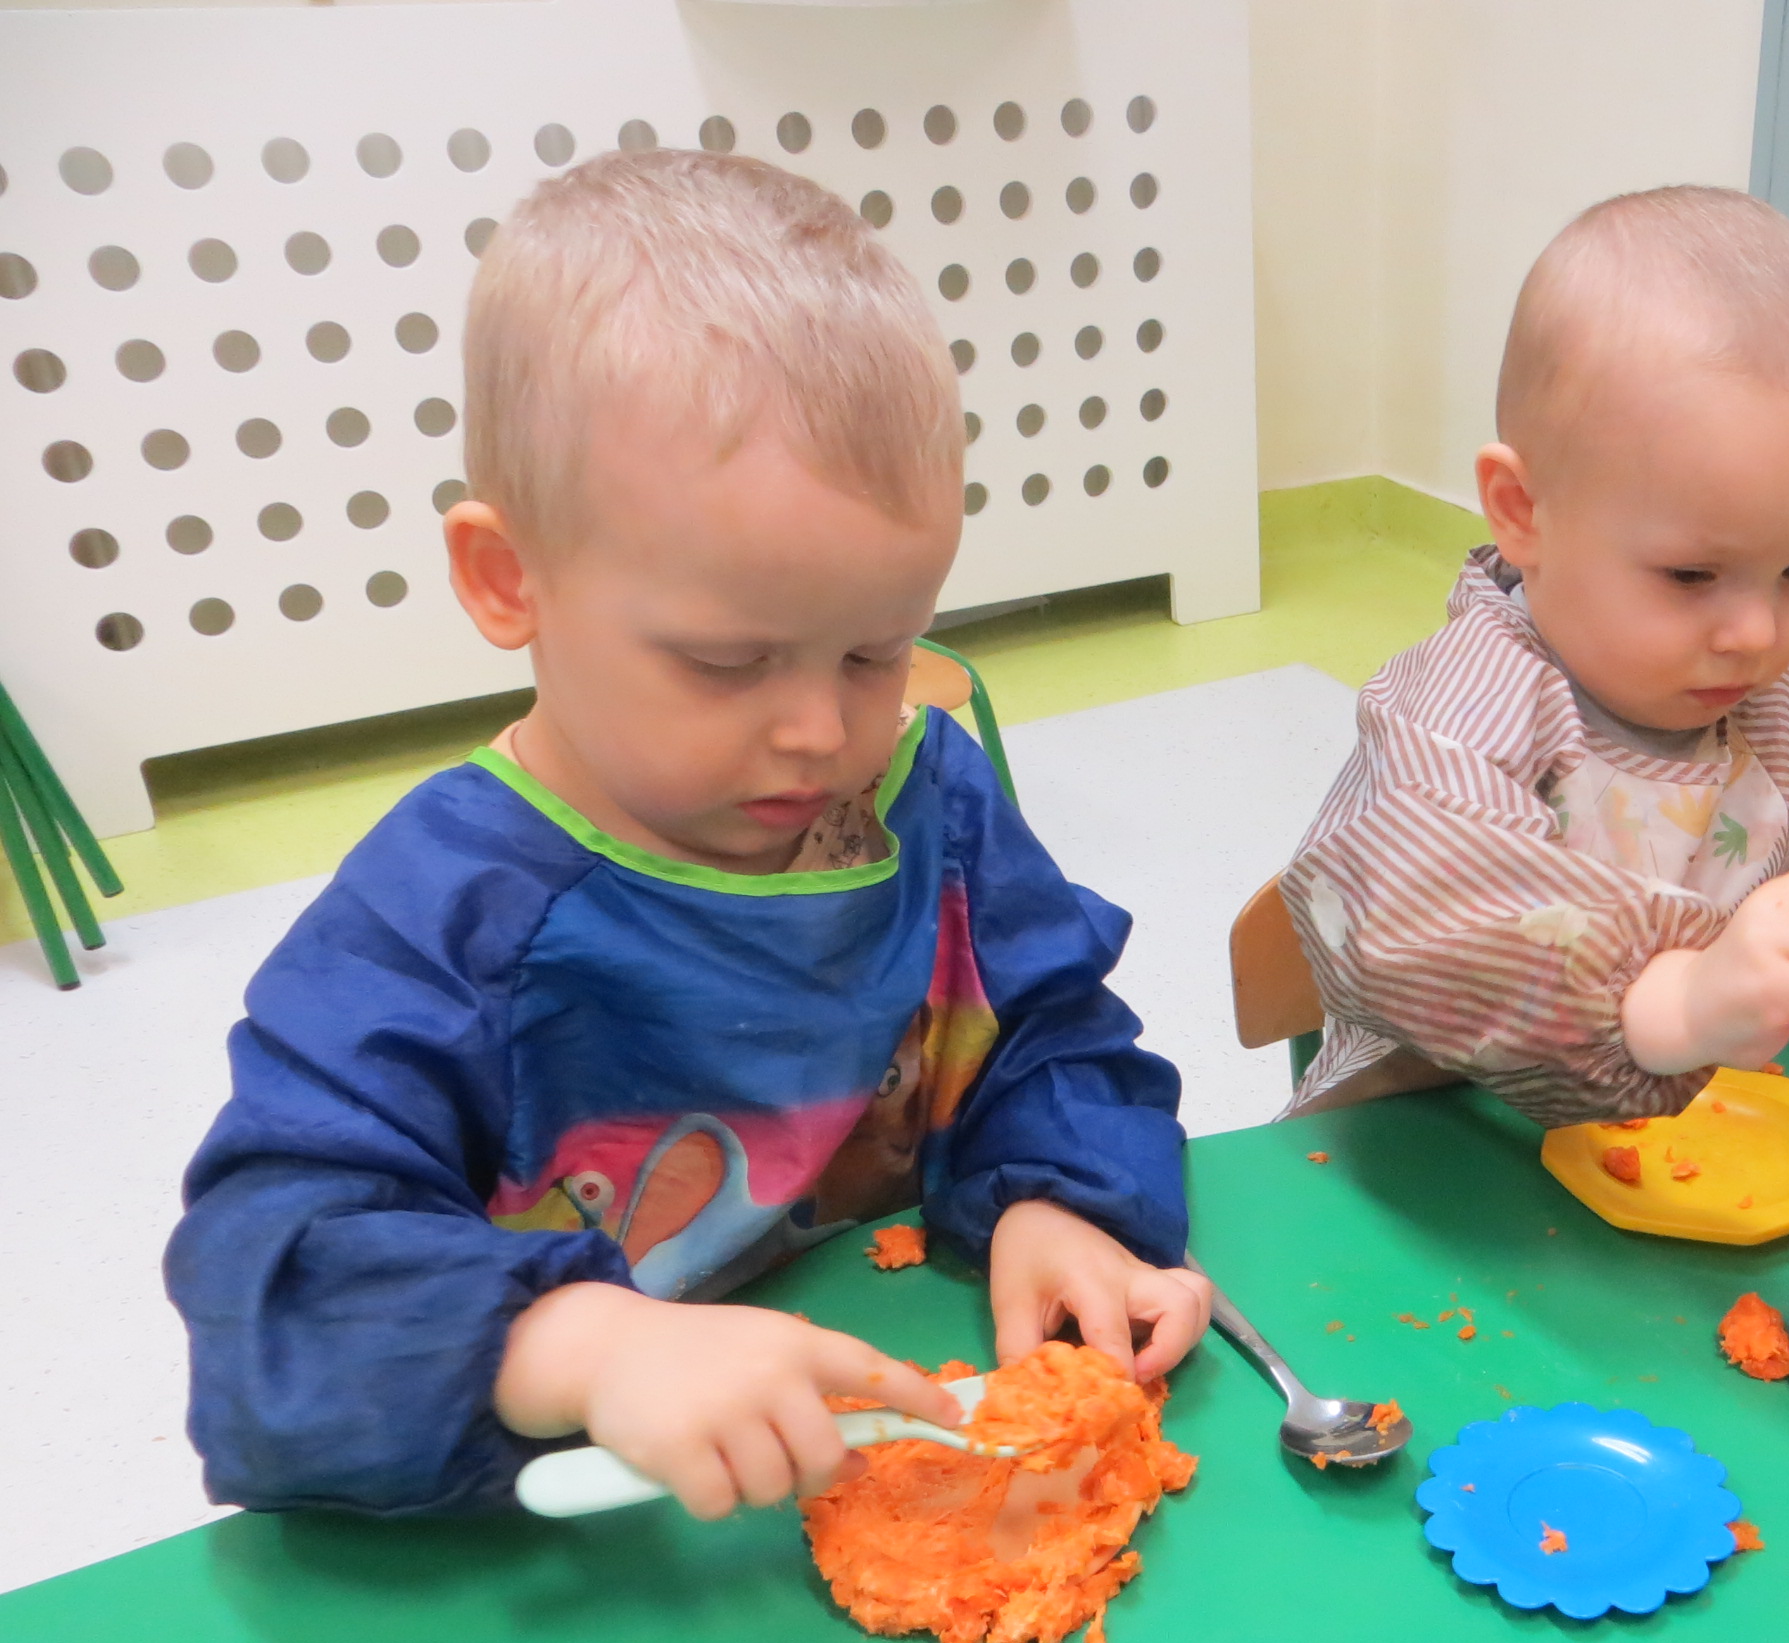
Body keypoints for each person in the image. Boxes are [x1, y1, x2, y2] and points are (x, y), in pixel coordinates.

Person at [166, 151, 1208, 1521]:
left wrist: (1058, 1198)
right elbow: (271, 1295)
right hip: (572, 1535)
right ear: (508, 578)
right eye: (727, 662)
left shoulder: (926, 802)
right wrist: (575, 1346)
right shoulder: (441, 917)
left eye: (875, 651)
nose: (820, 735)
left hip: (862, 1431)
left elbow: (1046, 1033)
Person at [1280, 186, 1789, 1126]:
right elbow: (1410, 906)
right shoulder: (1467, 701)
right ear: (1522, 512)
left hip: (1692, 1155)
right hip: (1428, 1153)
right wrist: (1674, 1002)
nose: (1755, 633)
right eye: (1690, 575)